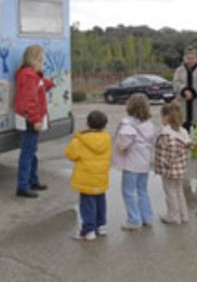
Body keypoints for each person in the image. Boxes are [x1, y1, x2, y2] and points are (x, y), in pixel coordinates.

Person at [65, 110, 112, 241]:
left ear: (87, 123)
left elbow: (70, 154)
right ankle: (101, 226)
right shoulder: (107, 138)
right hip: (101, 177)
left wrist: (77, 137)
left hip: (86, 178)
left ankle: (88, 230)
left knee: (87, 204)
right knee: (100, 201)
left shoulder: (80, 140)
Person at [14, 45, 54, 198]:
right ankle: (23, 187)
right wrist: (36, 120)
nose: (43, 59)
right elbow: (29, 100)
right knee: (27, 153)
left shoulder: (31, 74)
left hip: (28, 118)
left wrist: (49, 84)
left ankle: (32, 181)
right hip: (29, 119)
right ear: (36, 57)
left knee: (31, 152)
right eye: (41, 56)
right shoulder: (29, 75)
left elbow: (39, 84)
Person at [113, 93, 156, 230]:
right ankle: (147, 217)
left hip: (131, 165)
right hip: (144, 164)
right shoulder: (149, 125)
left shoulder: (128, 126)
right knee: (142, 190)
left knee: (128, 192)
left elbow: (122, 144)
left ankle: (134, 219)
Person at [154, 102, 194, 224]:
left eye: (161, 116)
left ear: (167, 117)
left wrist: (160, 166)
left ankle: (173, 216)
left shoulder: (165, 134)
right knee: (179, 191)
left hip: (169, 169)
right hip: (180, 168)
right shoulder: (183, 132)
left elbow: (165, 155)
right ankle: (184, 215)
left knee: (170, 192)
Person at [173, 47, 197, 131]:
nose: (190, 60)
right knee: (183, 130)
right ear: (184, 59)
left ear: (196, 58)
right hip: (183, 103)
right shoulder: (179, 70)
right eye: (188, 58)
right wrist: (184, 91)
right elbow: (175, 82)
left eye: (192, 58)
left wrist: (193, 92)